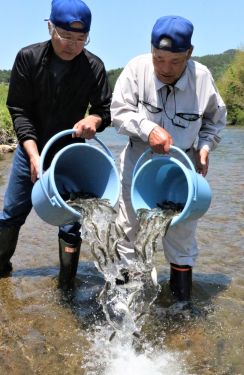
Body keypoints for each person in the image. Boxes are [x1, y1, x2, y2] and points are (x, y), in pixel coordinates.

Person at [111, 15, 227, 302]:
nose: (165, 68)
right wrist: (148, 128)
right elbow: (119, 113)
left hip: (181, 169)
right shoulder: (136, 70)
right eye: (159, 58)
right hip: (138, 163)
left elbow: (215, 120)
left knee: (181, 237)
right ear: (151, 50)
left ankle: (181, 310)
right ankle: (128, 305)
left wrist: (204, 146)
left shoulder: (202, 79)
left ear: (189, 53)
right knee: (127, 234)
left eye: (175, 62)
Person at [0, 0, 112, 290]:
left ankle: (66, 285)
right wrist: (34, 156)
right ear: (50, 26)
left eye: (80, 39)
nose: (72, 45)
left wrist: (94, 120)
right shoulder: (28, 58)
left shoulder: (94, 66)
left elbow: (104, 110)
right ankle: (1, 272)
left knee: (71, 218)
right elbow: (19, 110)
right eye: (65, 35)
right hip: (31, 149)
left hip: (69, 154)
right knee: (12, 210)